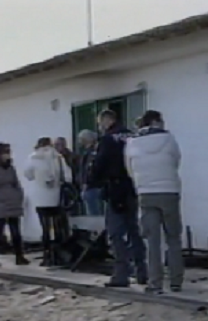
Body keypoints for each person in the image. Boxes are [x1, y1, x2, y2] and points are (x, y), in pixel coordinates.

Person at [125, 110, 184, 294]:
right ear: (157, 121)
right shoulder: (169, 139)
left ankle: (155, 283)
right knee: (173, 238)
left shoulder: (132, 143)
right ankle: (176, 281)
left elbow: (130, 170)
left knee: (152, 241)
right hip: (169, 191)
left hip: (145, 193)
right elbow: (176, 161)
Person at [89, 109, 148, 287]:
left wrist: (92, 181)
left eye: (100, 124)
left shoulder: (108, 139)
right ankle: (142, 271)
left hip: (115, 189)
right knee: (134, 232)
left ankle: (121, 273)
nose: (100, 128)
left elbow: (100, 164)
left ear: (107, 120)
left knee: (116, 233)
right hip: (134, 188)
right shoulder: (132, 136)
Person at [23, 137, 73, 266]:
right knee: (57, 226)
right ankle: (58, 255)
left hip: (40, 197)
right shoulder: (58, 157)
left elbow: (28, 175)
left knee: (45, 227)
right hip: (55, 196)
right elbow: (68, 176)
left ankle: (47, 254)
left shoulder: (33, 157)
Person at [0, 142, 30, 268]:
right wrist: (1, 197)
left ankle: (19, 256)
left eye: (8, 152)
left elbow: (16, 182)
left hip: (14, 201)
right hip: (1, 203)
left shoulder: (11, 168)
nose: (7, 155)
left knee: (16, 231)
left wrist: (19, 194)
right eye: (5, 152)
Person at [77, 129, 103, 216]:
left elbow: (89, 168)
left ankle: (96, 229)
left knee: (93, 212)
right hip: (93, 185)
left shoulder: (91, 153)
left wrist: (85, 183)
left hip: (91, 186)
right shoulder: (91, 152)